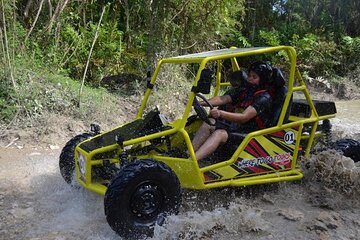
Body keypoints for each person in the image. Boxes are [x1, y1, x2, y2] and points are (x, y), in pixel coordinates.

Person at [191, 62, 274, 161]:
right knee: (209, 123)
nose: (250, 79)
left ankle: (192, 162)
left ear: (262, 80)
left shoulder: (264, 98)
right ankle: (188, 154)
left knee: (219, 134)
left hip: (251, 134)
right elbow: (223, 99)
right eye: (249, 75)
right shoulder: (245, 91)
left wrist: (221, 113)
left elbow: (244, 117)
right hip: (236, 128)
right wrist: (201, 103)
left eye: (254, 77)